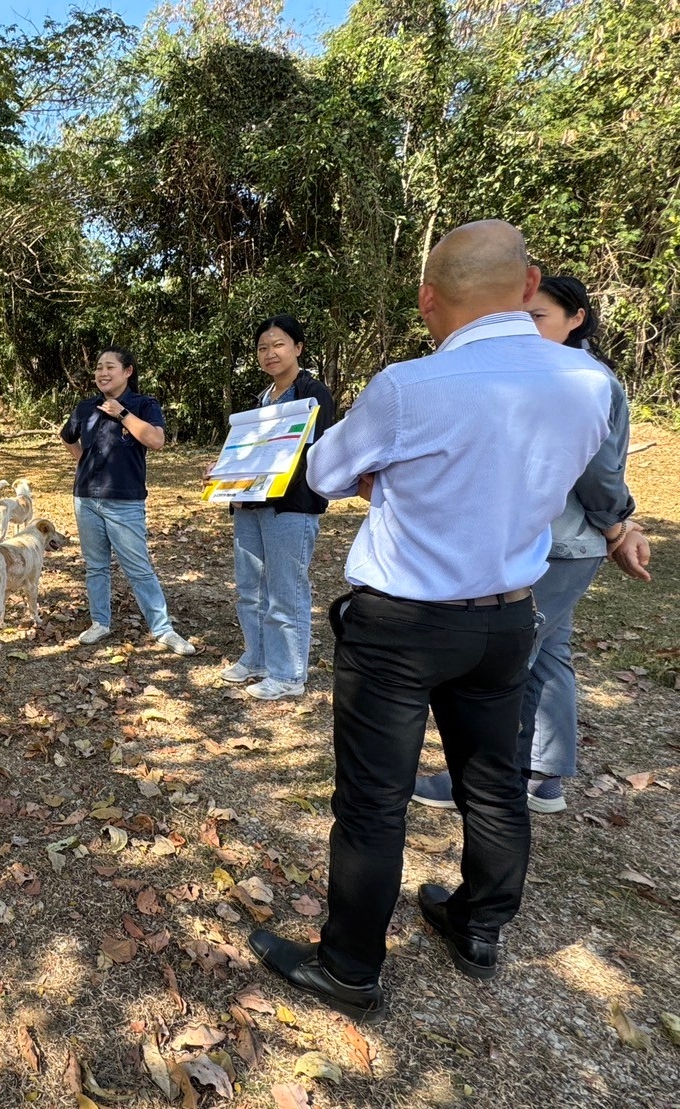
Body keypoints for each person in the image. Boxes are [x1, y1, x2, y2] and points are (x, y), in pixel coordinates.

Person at [246, 221, 613, 1020]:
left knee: (372, 800)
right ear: (527, 285)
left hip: (401, 624)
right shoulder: (588, 383)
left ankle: (350, 965)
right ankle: (479, 926)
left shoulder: (408, 387)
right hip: (508, 616)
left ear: (426, 299)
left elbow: (325, 469)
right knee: (493, 783)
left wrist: (390, 476)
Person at [414, 277, 652, 814]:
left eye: (538, 317)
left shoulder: (579, 381)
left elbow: (598, 472)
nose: (525, 328)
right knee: (549, 653)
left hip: (558, 544)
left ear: (577, 318)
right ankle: (543, 776)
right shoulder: (543, 374)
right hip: (556, 541)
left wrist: (617, 526)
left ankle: (484, 778)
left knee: (508, 662)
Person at [224, 315, 338, 701]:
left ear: (298, 348)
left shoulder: (313, 394)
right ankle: (257, 658)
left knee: (285, 589)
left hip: (290, 507)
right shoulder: (261, 400)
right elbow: (246, 452)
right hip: (249, 504)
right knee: (250, 588)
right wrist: (226, 475)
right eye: (262, 347)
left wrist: (260, 484)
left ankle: (288, 674)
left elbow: (314, 454)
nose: (270, 353)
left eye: (278, 344)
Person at [60, 347, 196, 655]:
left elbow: (156, 441)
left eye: (110, 367)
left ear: (127, 371)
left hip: (125, 502)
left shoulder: (143, 404)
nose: (102, 373)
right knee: (96, 566)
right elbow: (67, 436)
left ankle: (163, 629)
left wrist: (121, 413)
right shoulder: (85, 407)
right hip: (86, 498)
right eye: (99, 367)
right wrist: (83, 463)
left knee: (138, 567)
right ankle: (100, 622)